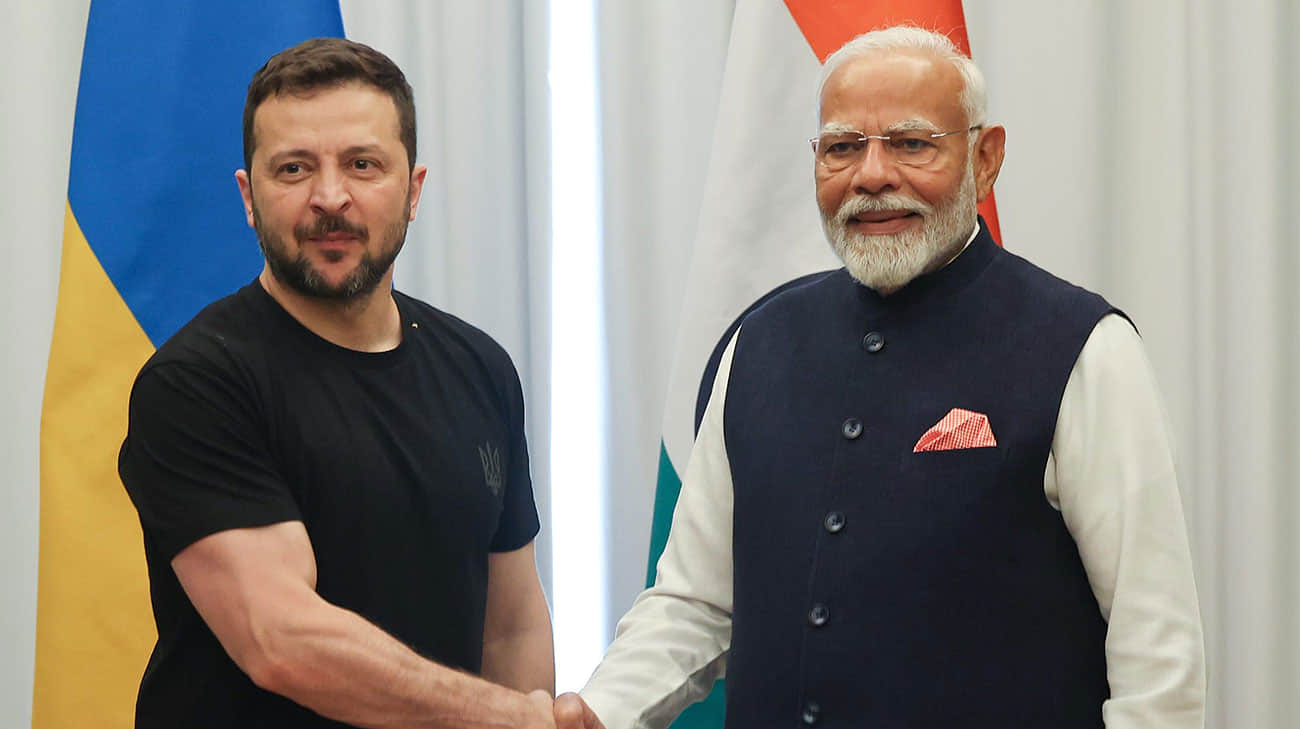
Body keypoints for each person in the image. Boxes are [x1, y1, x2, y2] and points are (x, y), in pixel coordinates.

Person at [579, 25, 1205, 729]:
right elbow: (693, 604)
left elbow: (1158, 661)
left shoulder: (1084, 348)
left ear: (986, 159)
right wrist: (590, 714)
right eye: (843, 147)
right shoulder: (755, 343)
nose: (872, 175)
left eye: (911, 143)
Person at [119, 37, 595, 729]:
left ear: (413, 190)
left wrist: (521, 717)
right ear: (249, 197)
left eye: (362, 164)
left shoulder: (480, 368)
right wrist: (506, 716)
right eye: (294, 168)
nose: (330, 197)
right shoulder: (196, 384)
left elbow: (512, 627)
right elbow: (283, 642)